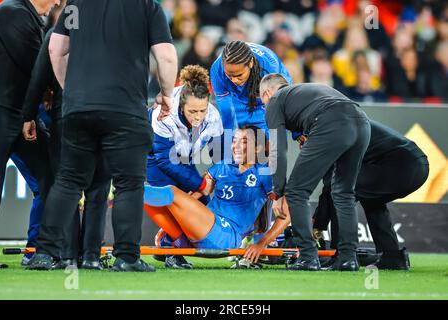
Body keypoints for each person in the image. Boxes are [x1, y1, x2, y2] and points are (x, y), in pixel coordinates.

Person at [27, 0, 178, 272]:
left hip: (78, 109)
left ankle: (45, 253)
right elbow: (166, 55)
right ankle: (126, 257)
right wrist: (166, 94)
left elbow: (56, 48)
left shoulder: (76, 5)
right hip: (125, 110)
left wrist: (69, 90)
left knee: (68, 181)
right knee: (128, 184)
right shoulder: (147, 6)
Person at [21, 3, 111, 270]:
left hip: (68, 119)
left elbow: (38, 79)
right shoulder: (112, 39)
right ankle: (92, 257)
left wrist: (28, 116)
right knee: (98, 189)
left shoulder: (56, 37)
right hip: (107, 118)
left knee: (69, 186)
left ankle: (68, 254)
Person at [260, 74, 371, 271]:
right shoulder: (303, 93)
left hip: (331, 120)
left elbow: (278, 149)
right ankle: (348, 258)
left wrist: (278, 192)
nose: (264, 106)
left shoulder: (274, 100)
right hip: (362, 122)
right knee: (344, 193)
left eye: (263, 100)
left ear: (267, 93)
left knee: (295, 192)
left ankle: (307, 257)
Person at [144, 126, 290, 266]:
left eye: (244, 142)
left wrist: (261, 244)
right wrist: (174, 220)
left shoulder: (265, 173)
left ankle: (129, 192)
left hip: (225, 236)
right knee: (151, 199)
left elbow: (286, 215)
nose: (236, 146)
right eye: (234, 141)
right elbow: (199, 192)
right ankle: (177, 241)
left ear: (258, 148)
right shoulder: (223, 166)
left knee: (169, 192)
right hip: (204, 226)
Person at [312, 120, 429, 270]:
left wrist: (317, 224)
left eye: (300, 139)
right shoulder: (345, 121)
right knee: (371, 201)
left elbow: (331, 183)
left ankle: (343, 255)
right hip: (416, 165)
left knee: (341, 191)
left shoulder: (331, 132)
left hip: (401, 165)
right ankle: (392, 257)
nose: (301, 144)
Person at [0, 0, 60, 269]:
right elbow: (35, 63)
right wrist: (54, 88)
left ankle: (41, 250)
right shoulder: (11, 12)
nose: (58, 2)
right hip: (1, 110)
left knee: (53, 173)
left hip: (22, 115)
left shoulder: (30, 17)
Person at [147, 64, 223, 268]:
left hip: (182, 158)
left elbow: (219, 154)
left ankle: (166, 244)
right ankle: (174, 252)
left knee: (200, 207)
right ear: (181, 106)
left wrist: (210, 179)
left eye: (202, 110)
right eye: (192, 111)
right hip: (154, 157)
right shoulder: (164, 113)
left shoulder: (213, 117)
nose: (198, 117)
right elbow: (164, 159)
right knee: (170, 199)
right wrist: (199, 185)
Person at [210, 40, 292, 134]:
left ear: (251, 63)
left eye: (239, 75)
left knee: (273, 138)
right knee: (234, 139)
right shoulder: (217, 70)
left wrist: (297, 133)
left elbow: (281, 108)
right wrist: (228, 137)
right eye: (229, 76)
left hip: (269, 95)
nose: (234, 80)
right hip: (238, 99)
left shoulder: (270, 68)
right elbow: (226, 108)